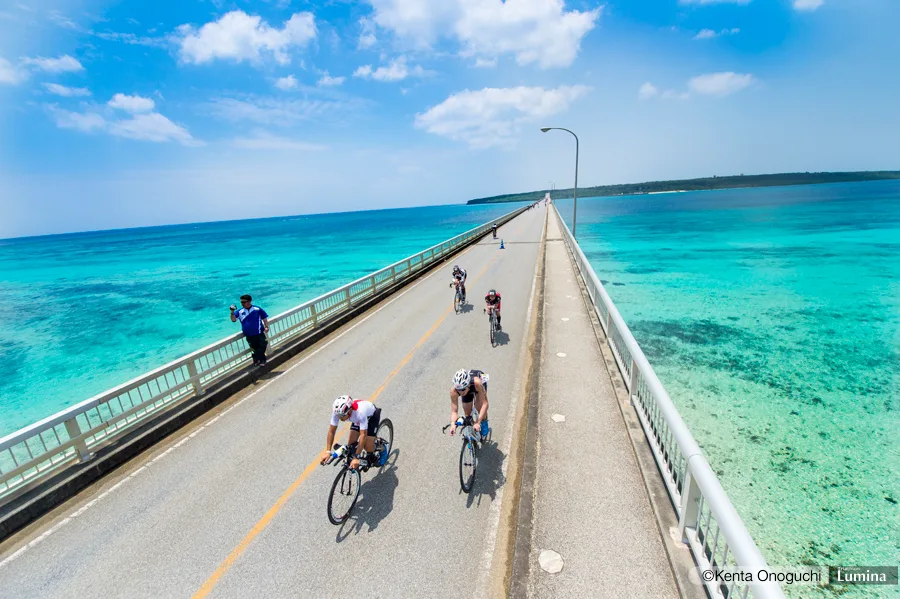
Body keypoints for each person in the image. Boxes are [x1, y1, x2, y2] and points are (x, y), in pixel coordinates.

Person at [319, 396, 386, 469]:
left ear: (350, 410)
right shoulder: (338, 412)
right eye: (338, 416)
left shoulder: (360, 412)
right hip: (357, 420)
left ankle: (382, 447)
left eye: (342, 416)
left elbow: (363, 435)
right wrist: (328, 452)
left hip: (371, 417)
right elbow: (331, 431)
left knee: (367, 447)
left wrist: (356, 457)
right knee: (351, 445)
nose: (340, 418)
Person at [230, 294, 269, 366]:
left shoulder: (257, 309)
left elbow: (264, 317)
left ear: (249, 301)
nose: (242, 304)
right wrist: (232, 312)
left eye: (244, 302)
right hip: (249, 334)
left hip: (259, 332)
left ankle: (255, 357)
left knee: (263, 345)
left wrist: (266, 326)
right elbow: (233, 319)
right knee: (255, 348)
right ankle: (262, 360)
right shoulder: (240, 311)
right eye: (241, 302)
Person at [449, 369, 490, 439]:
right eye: (458, 390)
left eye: (463, 389)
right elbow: (454, 411)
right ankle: (471, 434)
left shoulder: (477, 383)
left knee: (480, 408)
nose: (461, 393)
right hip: (469, 389)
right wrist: (453, 424)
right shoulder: (454, 391)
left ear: (468, 384)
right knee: (467, 414)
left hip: (476, 387)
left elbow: (485, 404)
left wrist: (478, 422)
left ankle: (484, 422)